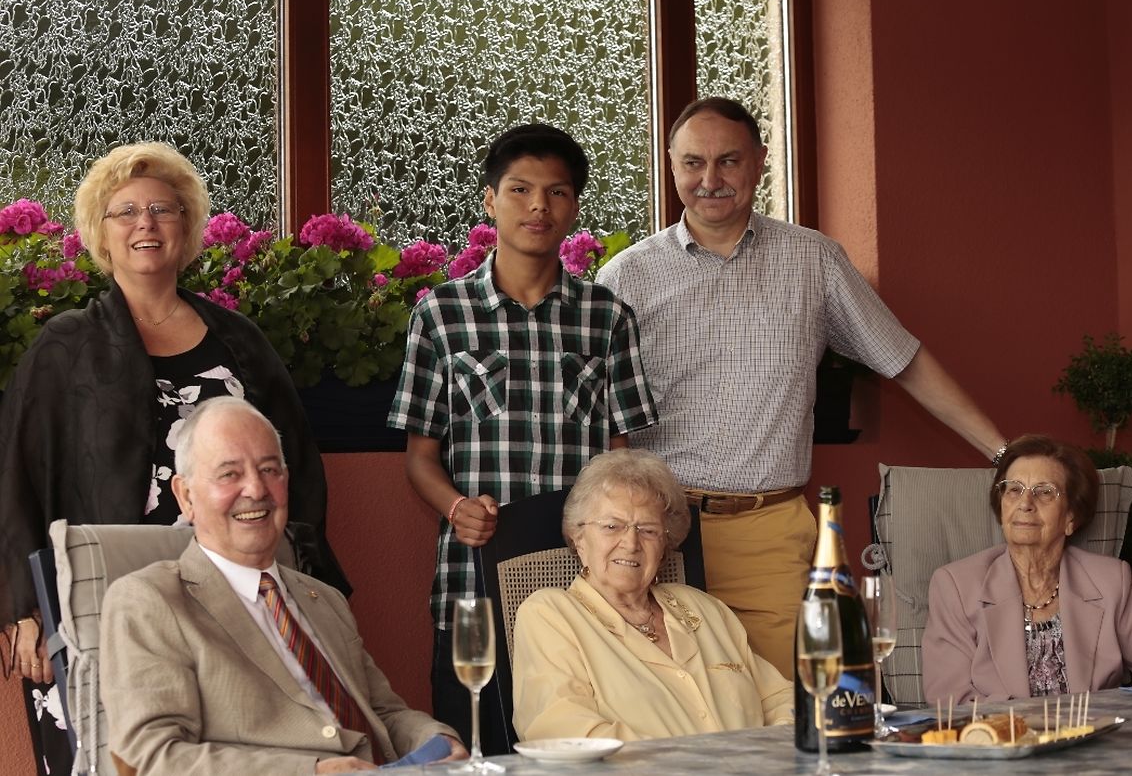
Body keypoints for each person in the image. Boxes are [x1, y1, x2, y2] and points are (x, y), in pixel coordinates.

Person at [595, 97, 1006, 676]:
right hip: (657, 532)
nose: (710, 179)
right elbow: (596, 411)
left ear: (760, 161)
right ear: (670, 164)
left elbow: (903, 360)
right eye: (692, 163)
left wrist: (1004, 453)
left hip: (768, 533)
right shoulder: (625, 276)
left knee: (787, 704)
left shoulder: (814, 261)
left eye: (728, 161)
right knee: (668, 706)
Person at [0, 142, 346, 775]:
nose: (146, 224)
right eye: (126, 211)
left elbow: (296, 467)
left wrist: (300, 586)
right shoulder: (65, 346)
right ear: (101, 232)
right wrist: (25, 608)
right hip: (100, 603)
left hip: (232, 606)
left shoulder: (240, 341)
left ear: (186, 226)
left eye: (163, 209)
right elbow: (17, 477)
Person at [387, 123, 658, 746]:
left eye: (556, 192)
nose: (538, 206)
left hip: (585, 585)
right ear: (490, 200)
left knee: (589, 748)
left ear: (574, 207)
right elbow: (420, 457)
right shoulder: (440, 314)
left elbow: (623, 459)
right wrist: (456, 507)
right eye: (520, 189)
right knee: (475, 749)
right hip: (474, 582)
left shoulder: (607, 318)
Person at [100, 397, 465, 773]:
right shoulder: (150, 601)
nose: (256, 489)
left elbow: (384, 713)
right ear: (186, 496)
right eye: (229, 474)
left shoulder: (324, 599)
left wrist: (437, 740)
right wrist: (312, 772)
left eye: (269, 469)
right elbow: (150, 758)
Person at [513, 449, 791, 740]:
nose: (631, 543)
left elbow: (780, 699)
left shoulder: (704, 608)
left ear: (664, 547)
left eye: (647, 530)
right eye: (612, 526)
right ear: (578, 538)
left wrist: (768, 750)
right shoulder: (551, 614)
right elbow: (561, 728)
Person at [922, 435, 1132, 702]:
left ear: (1071, 517)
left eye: (1045, 492)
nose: (1025, 503)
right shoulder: (956, 586)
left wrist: (1119, 711)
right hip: (1001, 729)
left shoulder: (1110, 581)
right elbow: (950, 698)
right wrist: (1026, 723)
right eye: (1013, 490)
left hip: (1094, 727)